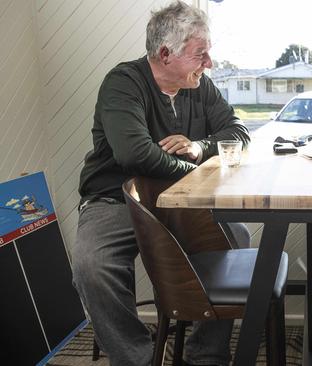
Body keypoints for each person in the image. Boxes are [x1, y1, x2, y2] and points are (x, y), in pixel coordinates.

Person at [71, 2, 249, 366]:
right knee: (92, 266)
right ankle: (136, 357)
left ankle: (205, 355)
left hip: (182, 202)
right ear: (166, 54)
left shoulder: (200, 86)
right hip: (114, 200)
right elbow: (135, 155)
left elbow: (238, 133)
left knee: (237, 238)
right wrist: (193, 171)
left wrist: (199, 147)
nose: (209, 63)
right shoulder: (123, 83)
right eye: (201, 54)